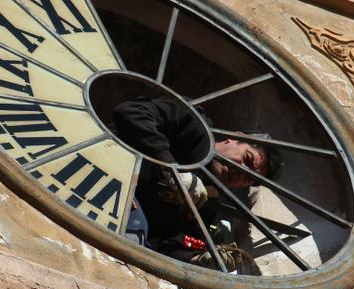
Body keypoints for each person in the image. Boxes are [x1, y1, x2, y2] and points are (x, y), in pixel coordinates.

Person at [112, 96, 281, 274]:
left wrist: (198, 260)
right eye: (247, 159)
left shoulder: (206, 206)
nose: (241, 171)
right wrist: (170, 167)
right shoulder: (191, 123)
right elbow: (130, 112)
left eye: (248, 177)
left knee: (134, 237)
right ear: (233, 138)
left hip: (128, 229)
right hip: (106, 170)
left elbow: (170, 244)